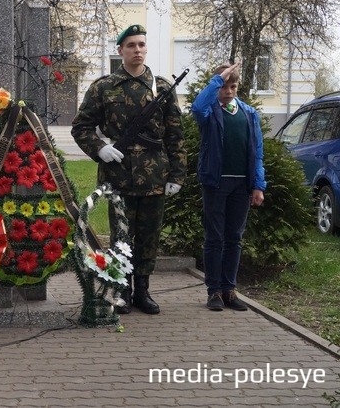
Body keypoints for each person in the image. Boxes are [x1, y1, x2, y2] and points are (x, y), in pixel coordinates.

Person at [71, 24, 187, 315]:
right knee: (121, 235)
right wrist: (99, 148)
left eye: (142, 45)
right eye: (131, 45)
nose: (137, 50)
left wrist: (177, 175)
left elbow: (175, 135)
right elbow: (81, 127)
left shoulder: (162, 87)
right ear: (120, 50)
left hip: (154, 175)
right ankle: (122, 289)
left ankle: (143, 291)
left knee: (149, 235)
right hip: (118, 175)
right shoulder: (104, 87)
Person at [191, 62, 266, 311]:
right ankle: (214, 292)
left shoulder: (248, 113)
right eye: (224, 86)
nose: (229, 91)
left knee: (234, 238)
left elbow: (257, 153)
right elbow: (196, 107)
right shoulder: (210, 111)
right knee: (215, 238)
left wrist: (258, 185)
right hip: (216, 182)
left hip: (241, 185)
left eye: (233, 86)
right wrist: (216, 80)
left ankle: (229, 290)